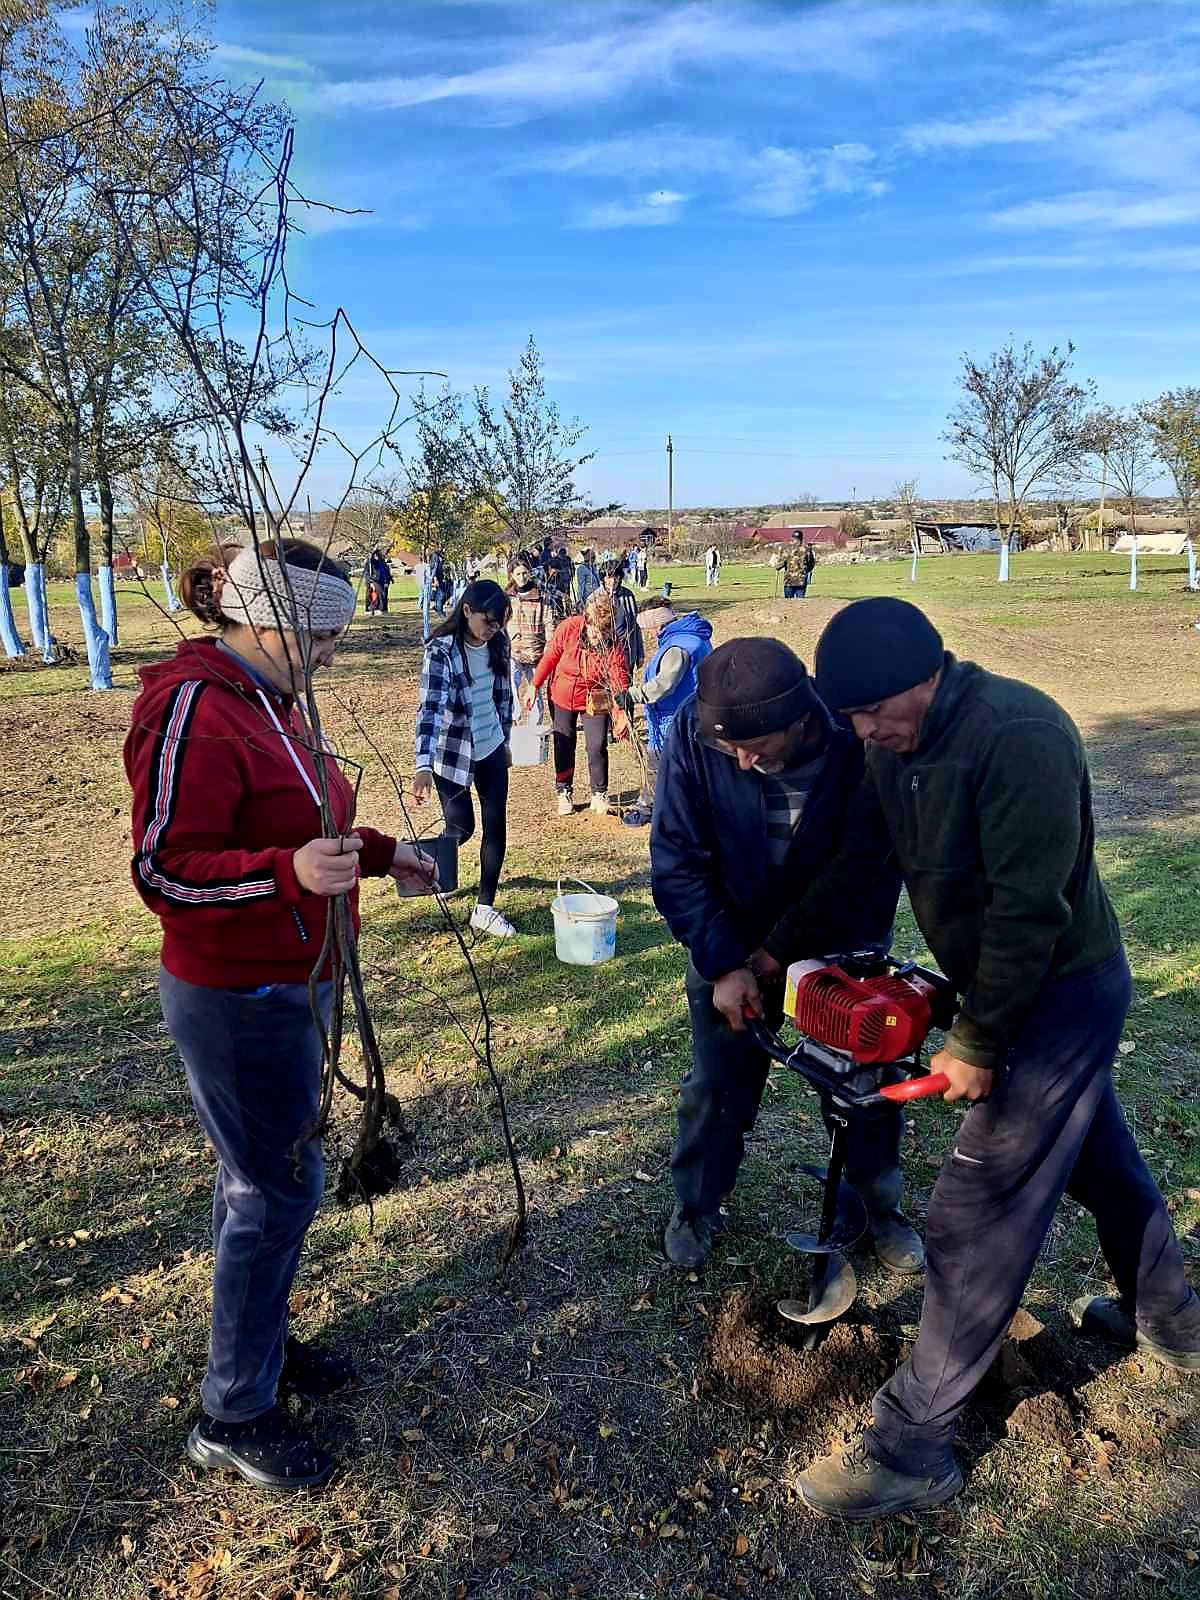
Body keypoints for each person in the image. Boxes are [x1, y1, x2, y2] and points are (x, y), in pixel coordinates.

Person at [791, 597, 1200, 1522]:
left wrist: (975, 1042)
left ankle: (911, 1447)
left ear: (925, 677)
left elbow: (1030, 910)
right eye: (850, 717)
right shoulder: (893, 747)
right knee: (1098, 1159)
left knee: (976, 1212)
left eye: (870, 714)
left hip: (1059, 991)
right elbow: (860, 867)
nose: (860, 734)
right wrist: (780, 951)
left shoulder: (1019, 735)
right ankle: (1173, 1316)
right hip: (1004, 988)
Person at [124, 539, 436, 1492]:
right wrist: (285, 876)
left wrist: (379, 853)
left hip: (291, 980)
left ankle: (257, 1342)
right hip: (237, 994)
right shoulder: (196, 709)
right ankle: (234, 1410)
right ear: (268, 620)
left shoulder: (270, 701)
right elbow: (165, 867)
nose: (335, 652)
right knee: (275, 1188)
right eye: (325, 635)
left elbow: (303, 821)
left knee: (262, 1179)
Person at [649, 637, 918, 1273]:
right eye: (729, 750)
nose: (741, 764)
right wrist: (726, 962)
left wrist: (781, 954)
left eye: (758, 749)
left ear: (800, 723)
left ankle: (881, 1208)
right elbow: (677, 863)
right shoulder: (695, 733)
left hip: (838, 940)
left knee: (868, 1085)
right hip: (729, 938)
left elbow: (862, 866)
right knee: (717, 1084)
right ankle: (696, 1204)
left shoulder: (857, 738)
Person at [413, 579, 517, 938]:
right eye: (487, 621)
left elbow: (503, 694)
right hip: (452, 754)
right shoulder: (441, 651)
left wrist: (504, 740)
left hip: (490, 747)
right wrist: (423, 765)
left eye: (499, 623)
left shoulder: (498, 643)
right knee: (461, 828)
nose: (493, 630)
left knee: (495, 824)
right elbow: (430, 709)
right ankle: (419, 864)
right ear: (467, 610)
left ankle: (485, 908)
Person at [524, 589, 630, 816]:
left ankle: (599, 794)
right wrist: (534, 685)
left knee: (597, 744)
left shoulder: (612, 644)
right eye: (594, 630)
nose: (597, 636)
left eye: (603, 631)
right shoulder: (569, 628)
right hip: (561, 695)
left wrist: (621, 711)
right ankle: (564, 791)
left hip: (596, 696)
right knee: (564, 742)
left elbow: (619, 677)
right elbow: (551, 656)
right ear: (587, 620)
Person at [622, 599, 712, 829]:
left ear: (658, 624)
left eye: (648, 629)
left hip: (676, 718)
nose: (649, 635)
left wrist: (633, 694)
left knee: (668, 766)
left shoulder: (678, 647)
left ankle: (653, 809)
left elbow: (665, 685)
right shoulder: (692, 638)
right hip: (690, 715)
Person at [507, 557, 548, 722]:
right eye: (518, 574)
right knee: (511, 686)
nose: (522, 577)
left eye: (525, 573)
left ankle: (535, 721)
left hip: (534, 651)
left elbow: (549, 622)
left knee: (534, 688)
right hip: (513, 650)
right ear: (512, 575)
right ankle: (514, 717)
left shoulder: (540, 596)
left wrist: (548, 647)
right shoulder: (508, 597)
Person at [601, 557, 643, 674]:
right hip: (605, 654)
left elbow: (636, 625)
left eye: (616, 577)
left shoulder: (628, 596)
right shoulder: (595, 598)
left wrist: (640, 654)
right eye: (609, 577)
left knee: (626, 686)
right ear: (603, 579)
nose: (613, 581)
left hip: (626, 651)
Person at [365, 547, 392, 613]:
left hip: (384, 581)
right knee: (379, 594)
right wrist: (371, 581)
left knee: (384, 595)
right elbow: (369, 571)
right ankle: (375, 608)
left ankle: (383, 608)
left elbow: (386, 571)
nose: (379, 556)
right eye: (378, 555)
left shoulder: (382, 562)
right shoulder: (372, 563)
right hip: (375, 580)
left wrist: (390, 579)